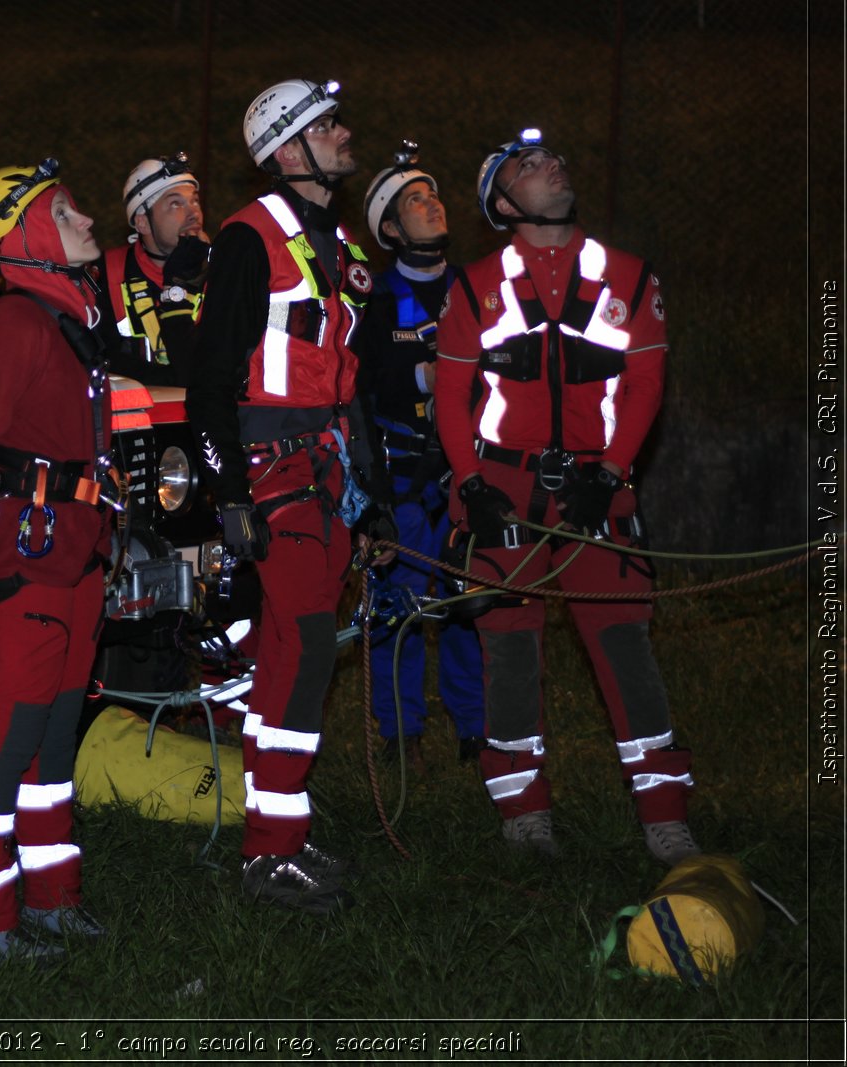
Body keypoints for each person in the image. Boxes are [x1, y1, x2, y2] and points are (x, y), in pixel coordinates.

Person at [434, 128, 697, 864]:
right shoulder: (473, 284)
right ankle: (524, 815)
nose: (552, 166)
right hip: (501, 490)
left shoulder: (631, 276)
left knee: (624, 646)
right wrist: (472, 484)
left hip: (596, 485)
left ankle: (665, 815)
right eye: (529, 164)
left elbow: (645, 383)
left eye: (554, 159)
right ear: (503, 202)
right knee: (509, 649)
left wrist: (611, 473)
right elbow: (451, 396)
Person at [186, 78, 395, 913]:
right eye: (327, 125)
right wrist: (229, 491)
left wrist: (372, 498)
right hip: (276, 471)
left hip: (328, 468)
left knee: (290, 653)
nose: (345, 134)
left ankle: (277, 841)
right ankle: (272, 850)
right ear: (288, 150)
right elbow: (208, 380)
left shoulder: (336, 243)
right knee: (306, 647)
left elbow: (352, 384)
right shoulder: (247, 240)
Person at [0, 159, 113, 962]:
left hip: (78, 549)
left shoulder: (71, 321)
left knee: (51, 737)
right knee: (7, 737)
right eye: (65, 211)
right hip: (28, 549)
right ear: (23, 236)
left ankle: (53, 898)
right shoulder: (18, 323)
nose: (86, 222)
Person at [355, 142, 485, 775]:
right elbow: (364, 385)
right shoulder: (374, 300)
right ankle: (400, 729)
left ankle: (478, 728)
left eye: (433, 195)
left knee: (469, 599)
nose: (432, 205)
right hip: (403, 474)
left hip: (468, 473)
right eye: (415, 201)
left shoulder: (477, 290)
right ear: (389, 228)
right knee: (397, 607)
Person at [94, 153, 208, 386]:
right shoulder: (106, 274)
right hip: (135, 421)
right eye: (176, 204)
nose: (193, 213)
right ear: (142, 222)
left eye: (195, 201)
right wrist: (173, 379)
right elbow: (101, 359)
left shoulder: (226, 268)